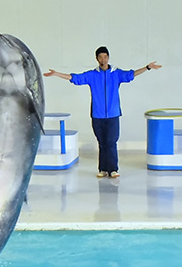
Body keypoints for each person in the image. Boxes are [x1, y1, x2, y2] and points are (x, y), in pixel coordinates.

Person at [45, 47, 161, 178]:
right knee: (102, 142)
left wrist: (147, 67)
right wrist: (56, 74)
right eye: (100, 57)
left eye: (105, 57)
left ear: (108, 58)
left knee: (111, 142)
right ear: (96, 59)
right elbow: (75, 78)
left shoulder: (116, 73)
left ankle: (113, 169)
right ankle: (103, 169)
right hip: (97, 115)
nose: (103, 59)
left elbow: (131, 74)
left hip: (113, 115)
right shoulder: (92, 75)